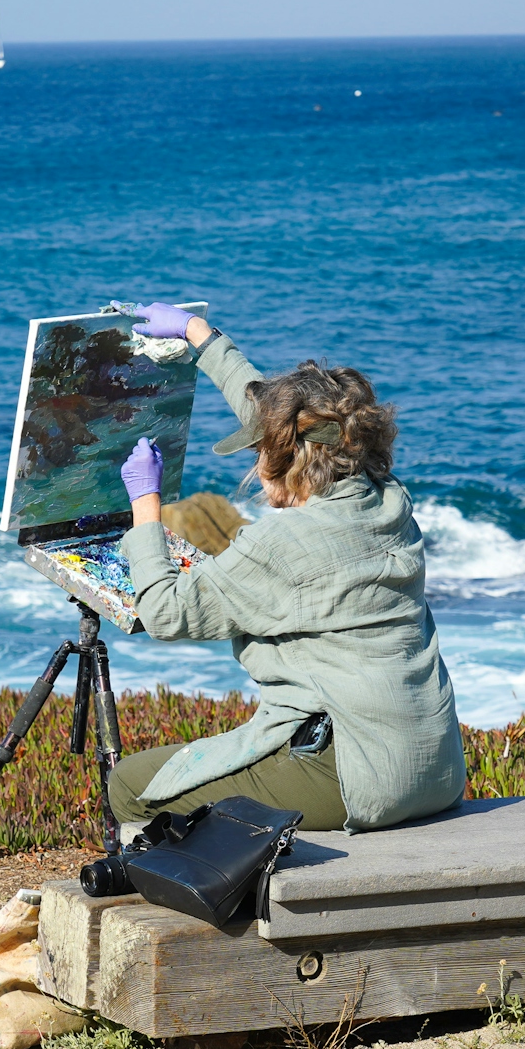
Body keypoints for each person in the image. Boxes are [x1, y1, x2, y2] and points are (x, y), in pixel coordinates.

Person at [106, 301, 466, 834]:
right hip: (434, 767)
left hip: (353, 775)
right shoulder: (389, 501)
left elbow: (163, 612)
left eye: (260, 451)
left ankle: (192, 906)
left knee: (131, 787)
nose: (255, 461)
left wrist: (145, 503)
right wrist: (197, 334)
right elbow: (285, 419)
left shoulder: (282, 542)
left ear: (285, 458)